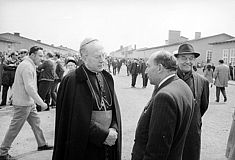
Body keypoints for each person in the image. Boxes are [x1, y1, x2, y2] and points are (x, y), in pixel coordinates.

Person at [52, 38, 122, 160]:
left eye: (103, 55)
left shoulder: (106, 77)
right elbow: (73, 119)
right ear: (84, 57)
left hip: (108, 141)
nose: (102, 60)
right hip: (85, 146)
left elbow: (114, 111)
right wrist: (103, 135)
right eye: (97, 57)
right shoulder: (72, 80)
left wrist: (114, 129)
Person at [131, 50, 194, 160]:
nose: (146, 71)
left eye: (148, 66)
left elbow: (157, 151)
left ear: (160, 68)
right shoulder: (183, 86)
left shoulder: (164, 97)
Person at [0, 46, 53, 160]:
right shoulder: (27, 66)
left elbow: (17, 83)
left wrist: (12, 96)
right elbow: (29, 87)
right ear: (33, 55)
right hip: (23, 103)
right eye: (40, 55)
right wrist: (41, 103)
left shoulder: (27, 64)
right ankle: (2, 152)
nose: (42, 58)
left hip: (28, 102)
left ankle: (42, 144)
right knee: (15, 128)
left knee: (36, 124)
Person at [174, 43, 209, 160]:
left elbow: (203, 107)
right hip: (171, 131)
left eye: (191, 58)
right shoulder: (167, 79)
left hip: (192, 133)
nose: (187, 61)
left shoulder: (202, 82)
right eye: (183, 58)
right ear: (177, 60)